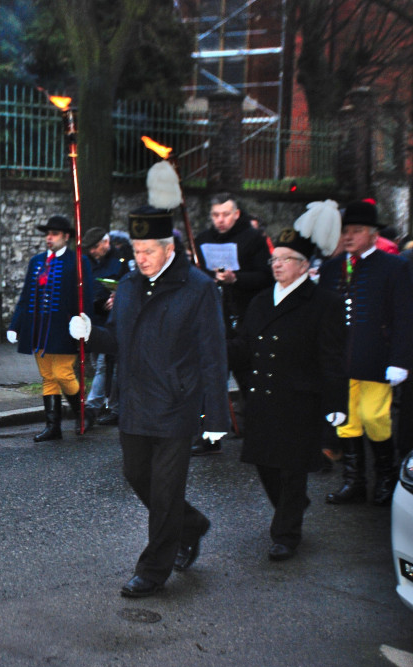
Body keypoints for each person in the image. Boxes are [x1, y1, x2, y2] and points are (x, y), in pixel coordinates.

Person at [69, 205, 230, 598]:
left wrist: (216, 416)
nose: (140, 258)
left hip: (177, 403)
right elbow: (118, 341)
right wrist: (90, 332)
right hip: (136, 401)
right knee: (136, 475)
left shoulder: (197, 287)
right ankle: (190, 525)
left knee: (165, 491)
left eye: (148, 251)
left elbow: (213, 352)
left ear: (169, 247)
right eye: (136, 250)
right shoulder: (128, 285)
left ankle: (154, 568)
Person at [228, 216, 348, 561]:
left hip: (301, 400)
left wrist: (336, 403)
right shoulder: (262, 300)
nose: (277, 265)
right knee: (265, 464)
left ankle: (286, 534)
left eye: (285, 259)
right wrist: (213, 349)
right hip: (264, 397)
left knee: (292, 469)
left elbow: (332, 358)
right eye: (274, 259)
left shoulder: (324, 302)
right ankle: (292, 508)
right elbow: (246, 344)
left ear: (304, 266)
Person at [317, 199, 413, 506]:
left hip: (376, 359)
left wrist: (400, 360)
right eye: (345, 230)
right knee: (345, 420)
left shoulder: (394, 267)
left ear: (373, 234)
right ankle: (354, 482)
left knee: (375, 417)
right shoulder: (332, 268)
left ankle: (385, 477)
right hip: (341, 361)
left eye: (357, 231)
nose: (349, 236)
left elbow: (404, 316)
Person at [193, 193, 273, 454]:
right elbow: (196, 273)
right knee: (212, 378)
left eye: (226, 214)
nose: (220, 220)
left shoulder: (253, 239)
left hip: (245, 316)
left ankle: (257, 433)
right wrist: (209, 276)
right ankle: (210, 435)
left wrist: (235, 279)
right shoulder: (203, 239)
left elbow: (265, 276)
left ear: (236, 214)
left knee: (250, 377)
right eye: (216, 215)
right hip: (214, 317)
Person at [7, 215, 94, 441]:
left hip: (64, 328)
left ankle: (83, 412)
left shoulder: (78, 261)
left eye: (54, 234)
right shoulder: (36, 261)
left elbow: (87, 296)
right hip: (37, 328)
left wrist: (85, 323)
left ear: (66, 237)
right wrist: (15, 325)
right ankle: (52, 426)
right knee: (48, 377)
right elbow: (26, 296)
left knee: (62, 373)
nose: (49, 238)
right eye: (47, 234)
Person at [82, 226, 131, 427]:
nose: (92, 251)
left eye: (95, 247)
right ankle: (112, 406)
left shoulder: (120, 260)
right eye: (90, 248)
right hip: (95, 319)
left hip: (113, 321)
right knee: (99, 365)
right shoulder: (90, 262)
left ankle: (93, 407)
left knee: (106, 366)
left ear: (105, 242)